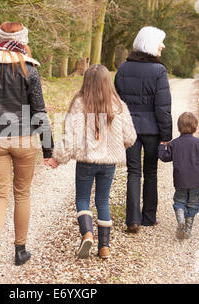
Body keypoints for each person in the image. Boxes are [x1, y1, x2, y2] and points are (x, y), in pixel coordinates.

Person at [0, 22, 56, 281]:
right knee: (22, 194)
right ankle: (20, 250)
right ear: (23, 39)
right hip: (23, 138)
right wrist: (48, 149)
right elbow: (39, 112)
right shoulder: (29, 69)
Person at [52, 64, 137, 259]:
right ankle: (105, 247)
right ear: (108, 82)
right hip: (108, 163)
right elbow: (130, 136)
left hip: (86, 162)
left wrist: (59, 157)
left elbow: (70, 137)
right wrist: (116, 146)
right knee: (102, 200)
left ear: (86, 82)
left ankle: (87, 233)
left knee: (82, 198)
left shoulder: (79, 104)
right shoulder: (118, 105)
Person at [114, 26, 172, 233]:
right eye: (160, 42)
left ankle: (133, 220)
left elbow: (116, 103)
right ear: (150, 43)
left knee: (133, 172)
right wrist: (166, 135)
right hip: (152, 130)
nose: (163, 46)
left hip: (129, 129)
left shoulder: (123, 69)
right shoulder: (159, 71)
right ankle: (149, 217)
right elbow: (163, 107)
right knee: (151, 172)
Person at [158, 112, 199, 239]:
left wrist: (161, 146)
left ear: (178, 128)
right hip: (197, 181)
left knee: (180, 201)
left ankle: (180, 217)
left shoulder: (174, 144)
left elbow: (164, 157)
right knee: (193, 204)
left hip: (180, 180)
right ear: (195, 128)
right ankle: (187, 228)